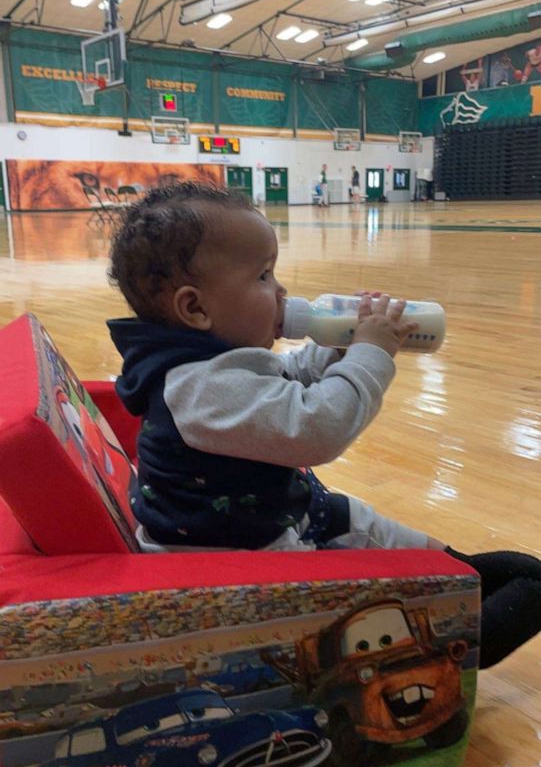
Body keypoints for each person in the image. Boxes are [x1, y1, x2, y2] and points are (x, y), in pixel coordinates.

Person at [108, 182, 541, 669]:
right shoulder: (197, 389)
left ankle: (450, 586)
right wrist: (371, 354)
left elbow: (286, 378)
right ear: (195, 308)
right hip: (247, 563)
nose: (282, 291)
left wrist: (340, 343)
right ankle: (442, 647)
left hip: (281, 521)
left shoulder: (206, 363)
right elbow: (318, 426)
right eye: (264, 277)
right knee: (527, 581)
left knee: (491, 571)